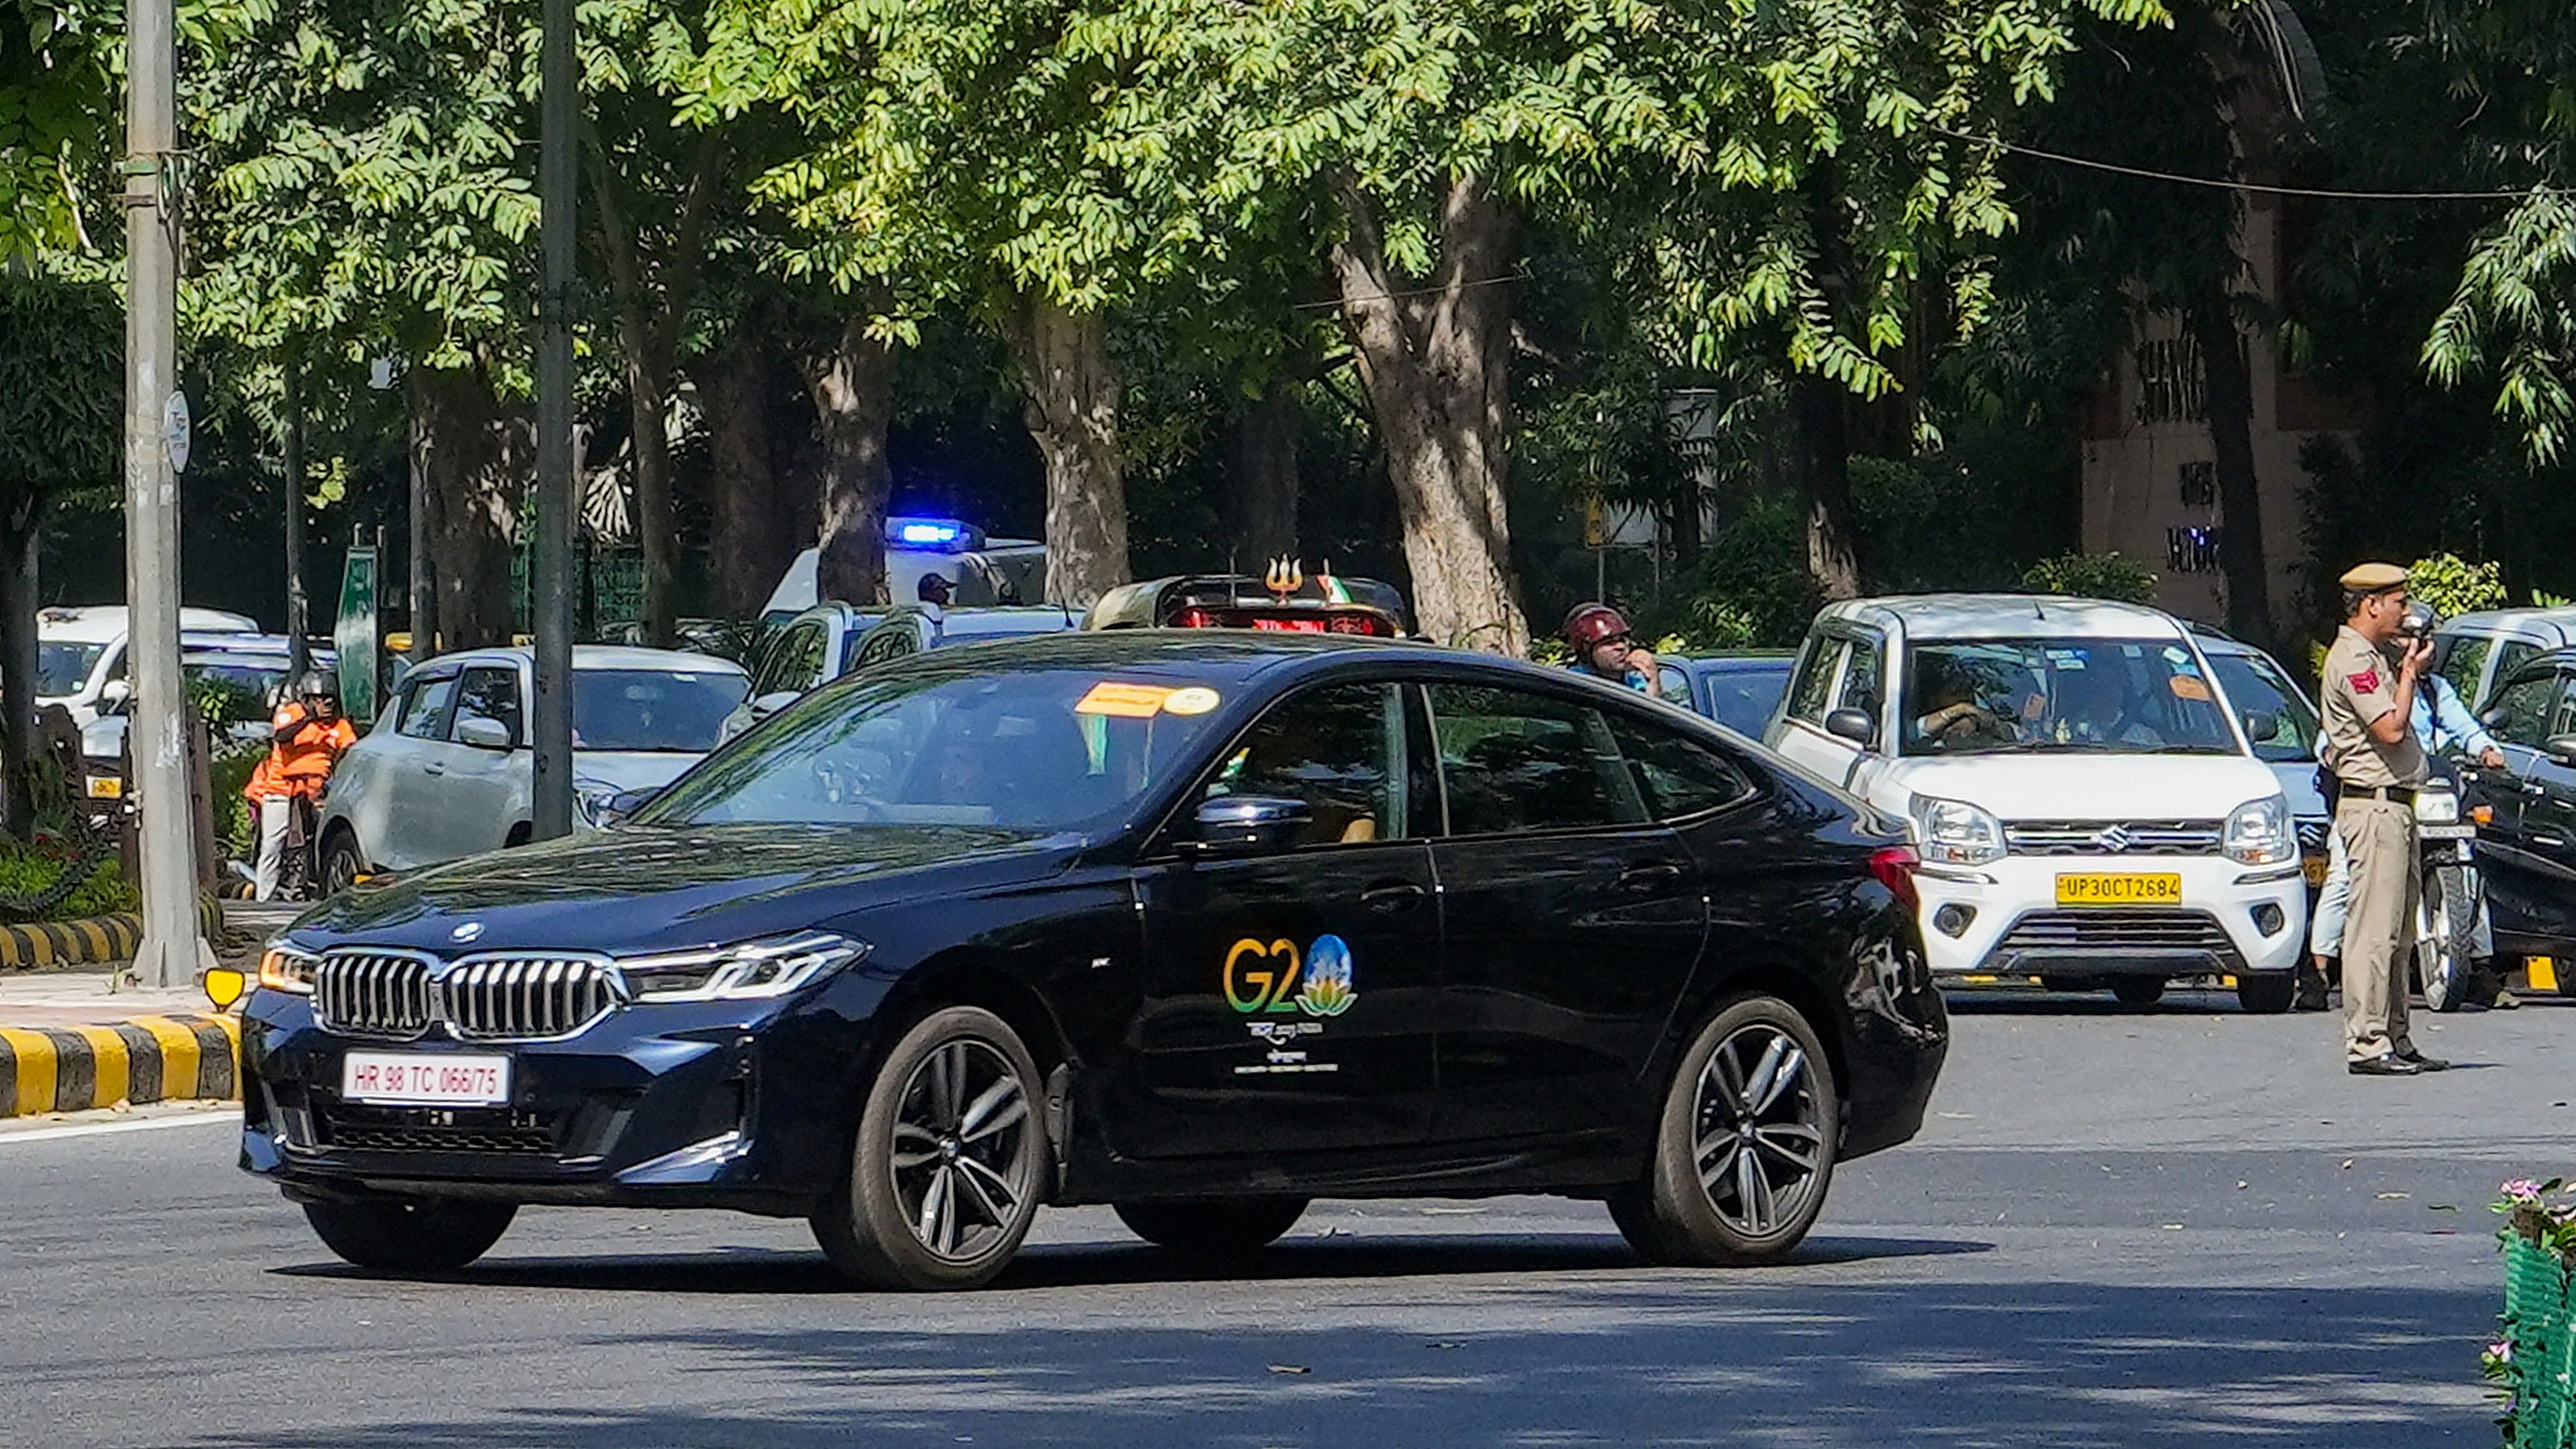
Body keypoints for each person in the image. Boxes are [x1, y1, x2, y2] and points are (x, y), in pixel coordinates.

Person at [2304, 604, 2509, 1011]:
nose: (2414, 647)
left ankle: (2480, 967)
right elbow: (2338, 734)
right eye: (2405, 638)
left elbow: (2464, 726)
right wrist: (2330, 753)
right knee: (2345, 874)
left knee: (2467, 868)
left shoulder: (2435, 689)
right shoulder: (2369, 678)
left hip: (2426, 795)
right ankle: (2318, 970)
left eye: (2422, 639)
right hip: (2372, 800)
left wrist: (2486, 748)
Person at [2317, 563, 2447, 1076]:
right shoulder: (2353, 660)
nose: (2406, 612)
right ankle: (2368, 1042)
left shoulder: (2375, 655)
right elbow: (2391, 728)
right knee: (2373, 930)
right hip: (2373, 806)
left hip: (2396, 804)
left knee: (2399, 931)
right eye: (2399, 602)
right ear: (2371, 604)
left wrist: (2408, 660)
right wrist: (2409, 673)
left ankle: (2396, 1034)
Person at [243, 669, 357, 901]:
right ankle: (264, 896)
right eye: (319, 699)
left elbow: (350, 749)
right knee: (274, 842)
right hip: (281, 789)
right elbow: (281, 736)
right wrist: (308, 718)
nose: (325, 705)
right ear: (306, 700)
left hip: (316, 791)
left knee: (319, 840)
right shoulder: (292, 714)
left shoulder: (339, 725)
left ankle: (308, 887)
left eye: (329, 700)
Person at [1563, 603, 1655, 693]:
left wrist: (1652, 678)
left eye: (1622, 640)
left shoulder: (1634, 682)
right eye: (1609, 643)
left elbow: (1650, 703)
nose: (1621, 647)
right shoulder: (1573, 684)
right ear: (1585, 651)